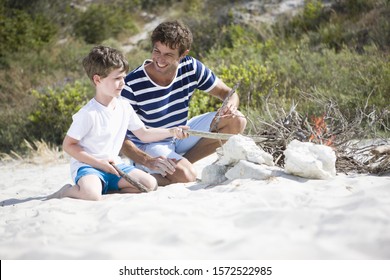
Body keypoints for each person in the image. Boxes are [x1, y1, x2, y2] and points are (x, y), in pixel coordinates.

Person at [48, 46, 188, 201]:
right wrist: (99, 163)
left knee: (150, 184)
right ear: (97, 79)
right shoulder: (88, 113)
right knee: (91, 195)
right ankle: (66, 192)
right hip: (89, 167)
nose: (122, 83)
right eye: (116, 79)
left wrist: (172, 131)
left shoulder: (124, 106)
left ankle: (105, 188)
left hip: (116, 166)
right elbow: (68, 145)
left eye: (123, 77)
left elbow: (144, 134)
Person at [121, 20, 247, 186]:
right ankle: (158, 169)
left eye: (168, 55)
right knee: (187, 175)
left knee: (237, 120)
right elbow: (120, 137)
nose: (159, 59)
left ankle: (179, 165)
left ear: (183, 54)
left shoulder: (191, 67)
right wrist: (146, 160)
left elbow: (227, 92)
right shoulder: (131, 84)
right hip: (150, 144)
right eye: (157, 51)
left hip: (180, 134)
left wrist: (230, 104)